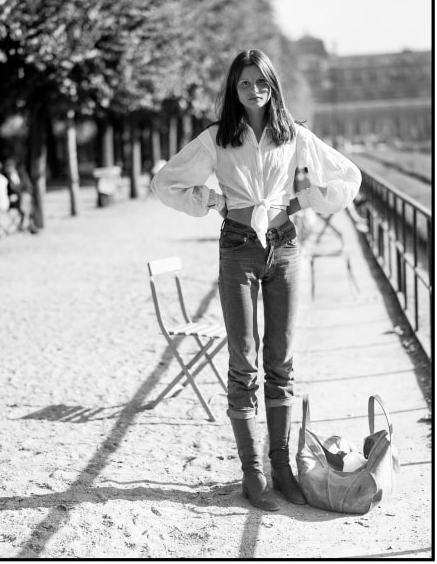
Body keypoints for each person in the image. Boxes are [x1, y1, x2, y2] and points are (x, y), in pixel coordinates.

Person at [151, 49, 362, 511]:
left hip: (285, 247)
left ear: (272, 86)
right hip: (238, 249)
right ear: (234, 89)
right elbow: (165, 182)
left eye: (260, 82)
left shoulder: (295, 136)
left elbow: (348, 177)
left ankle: (282, 466)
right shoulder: (215, 139)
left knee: (281, 360)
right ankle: (252, 471)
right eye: (244, 83)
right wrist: (209, 199)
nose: (253, 90)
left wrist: (302, 201)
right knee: (243, 360)